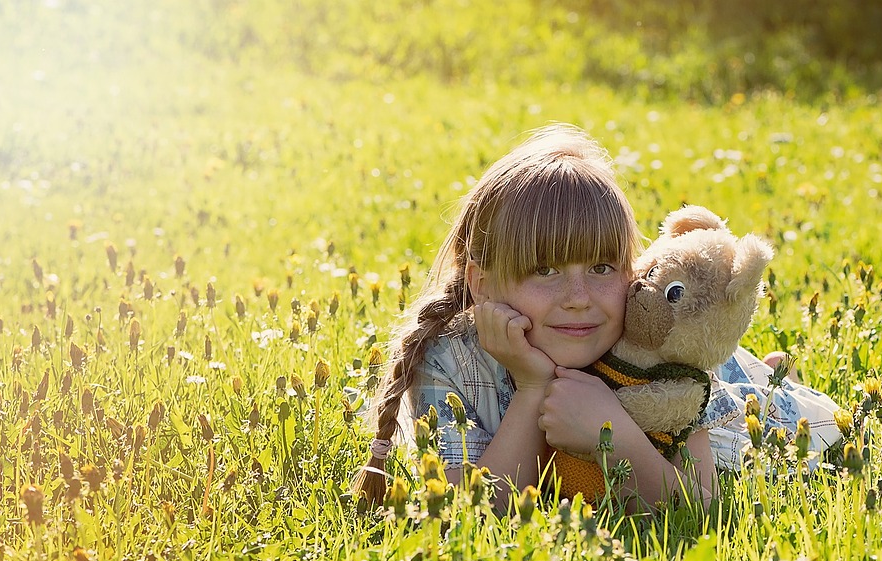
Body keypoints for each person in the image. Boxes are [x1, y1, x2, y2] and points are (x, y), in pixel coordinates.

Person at [353, 124, 842, 511]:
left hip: (730, 422)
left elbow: (697, 503)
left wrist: (615, 436)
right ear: (482, 282)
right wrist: (530, 389)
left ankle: (776, 376)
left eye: (602, 267)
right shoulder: (449, 360)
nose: (579, 298)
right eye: (544, 270)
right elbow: (473, 511)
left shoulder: (653, 339)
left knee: (776, 414)